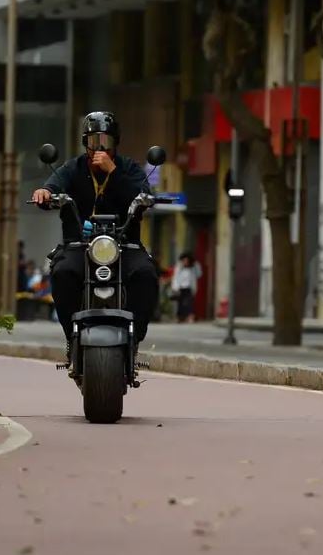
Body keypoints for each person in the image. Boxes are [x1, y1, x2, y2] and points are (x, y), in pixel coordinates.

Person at [31, 111, 160, 370]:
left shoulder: (128, 168)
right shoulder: (73, 168)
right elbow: (53, 186)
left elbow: (143, 195)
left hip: (124, 244)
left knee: (146, 274)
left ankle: (134, 338)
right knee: (62, 272)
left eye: (105, 142)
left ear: (115, 143)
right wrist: (44, 192)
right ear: (85, 143)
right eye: (93, 142)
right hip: (79, 245)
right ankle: (72, 337)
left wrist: (114, 173)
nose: (99, 149)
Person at [171, 252, 201, 323]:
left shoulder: (193, 268)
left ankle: (190, 317)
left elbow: (199, 274)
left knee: (189, 303)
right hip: (180, 288)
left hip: (189, 288)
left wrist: (196, 264)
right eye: (184, 260)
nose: (185, 262)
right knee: (180, 303)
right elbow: (175, 278)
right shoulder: (179, 267)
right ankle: (180, 317)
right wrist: (175, 287)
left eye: (187, 261)